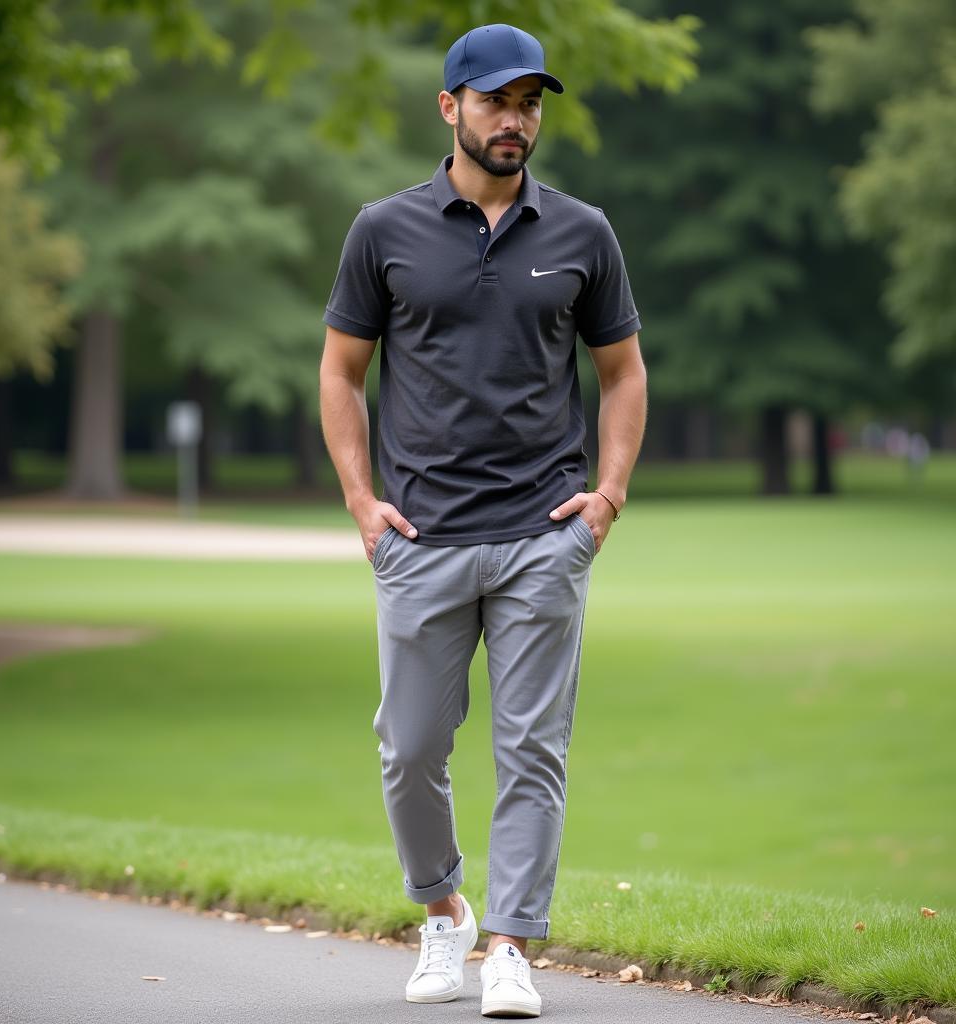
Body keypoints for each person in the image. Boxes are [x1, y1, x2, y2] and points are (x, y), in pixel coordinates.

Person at [318, 22, 647, 1018]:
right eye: (498, 101)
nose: (517, 120)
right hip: (419, 540)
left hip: (544, 536)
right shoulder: (383, 229)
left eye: (531, 103)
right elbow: (341, 371)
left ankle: (508, 944)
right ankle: (444, 910)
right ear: (449, 107)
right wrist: (360, 502)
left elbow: (622, 373)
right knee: (409, 745)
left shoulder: (583, 232)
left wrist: (608, 496)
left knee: (532, 749)